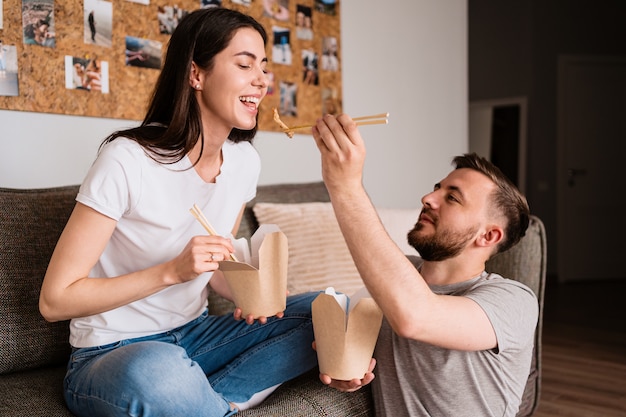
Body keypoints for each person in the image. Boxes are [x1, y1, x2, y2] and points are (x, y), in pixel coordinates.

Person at [39, 8, 318, 417]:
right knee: (161, 375)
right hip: (115, 352)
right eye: (244, 64)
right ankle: (201, 400)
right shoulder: (126, 160)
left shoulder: (243, 162)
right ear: (196, 75)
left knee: (327, 312)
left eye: (263, 67)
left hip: (196, 336)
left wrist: (254, 291)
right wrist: (170, 272)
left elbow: (215, 267)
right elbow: (55, 300)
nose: (262, 79)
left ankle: (206, 403)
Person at [311, 114, 538, 417]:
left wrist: (345, 186)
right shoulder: (392, 282)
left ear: (489, 235)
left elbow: (415, 316)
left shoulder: (514, 302)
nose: (428, 198)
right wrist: (347, 368)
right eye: (437, 188)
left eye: (452, 198)